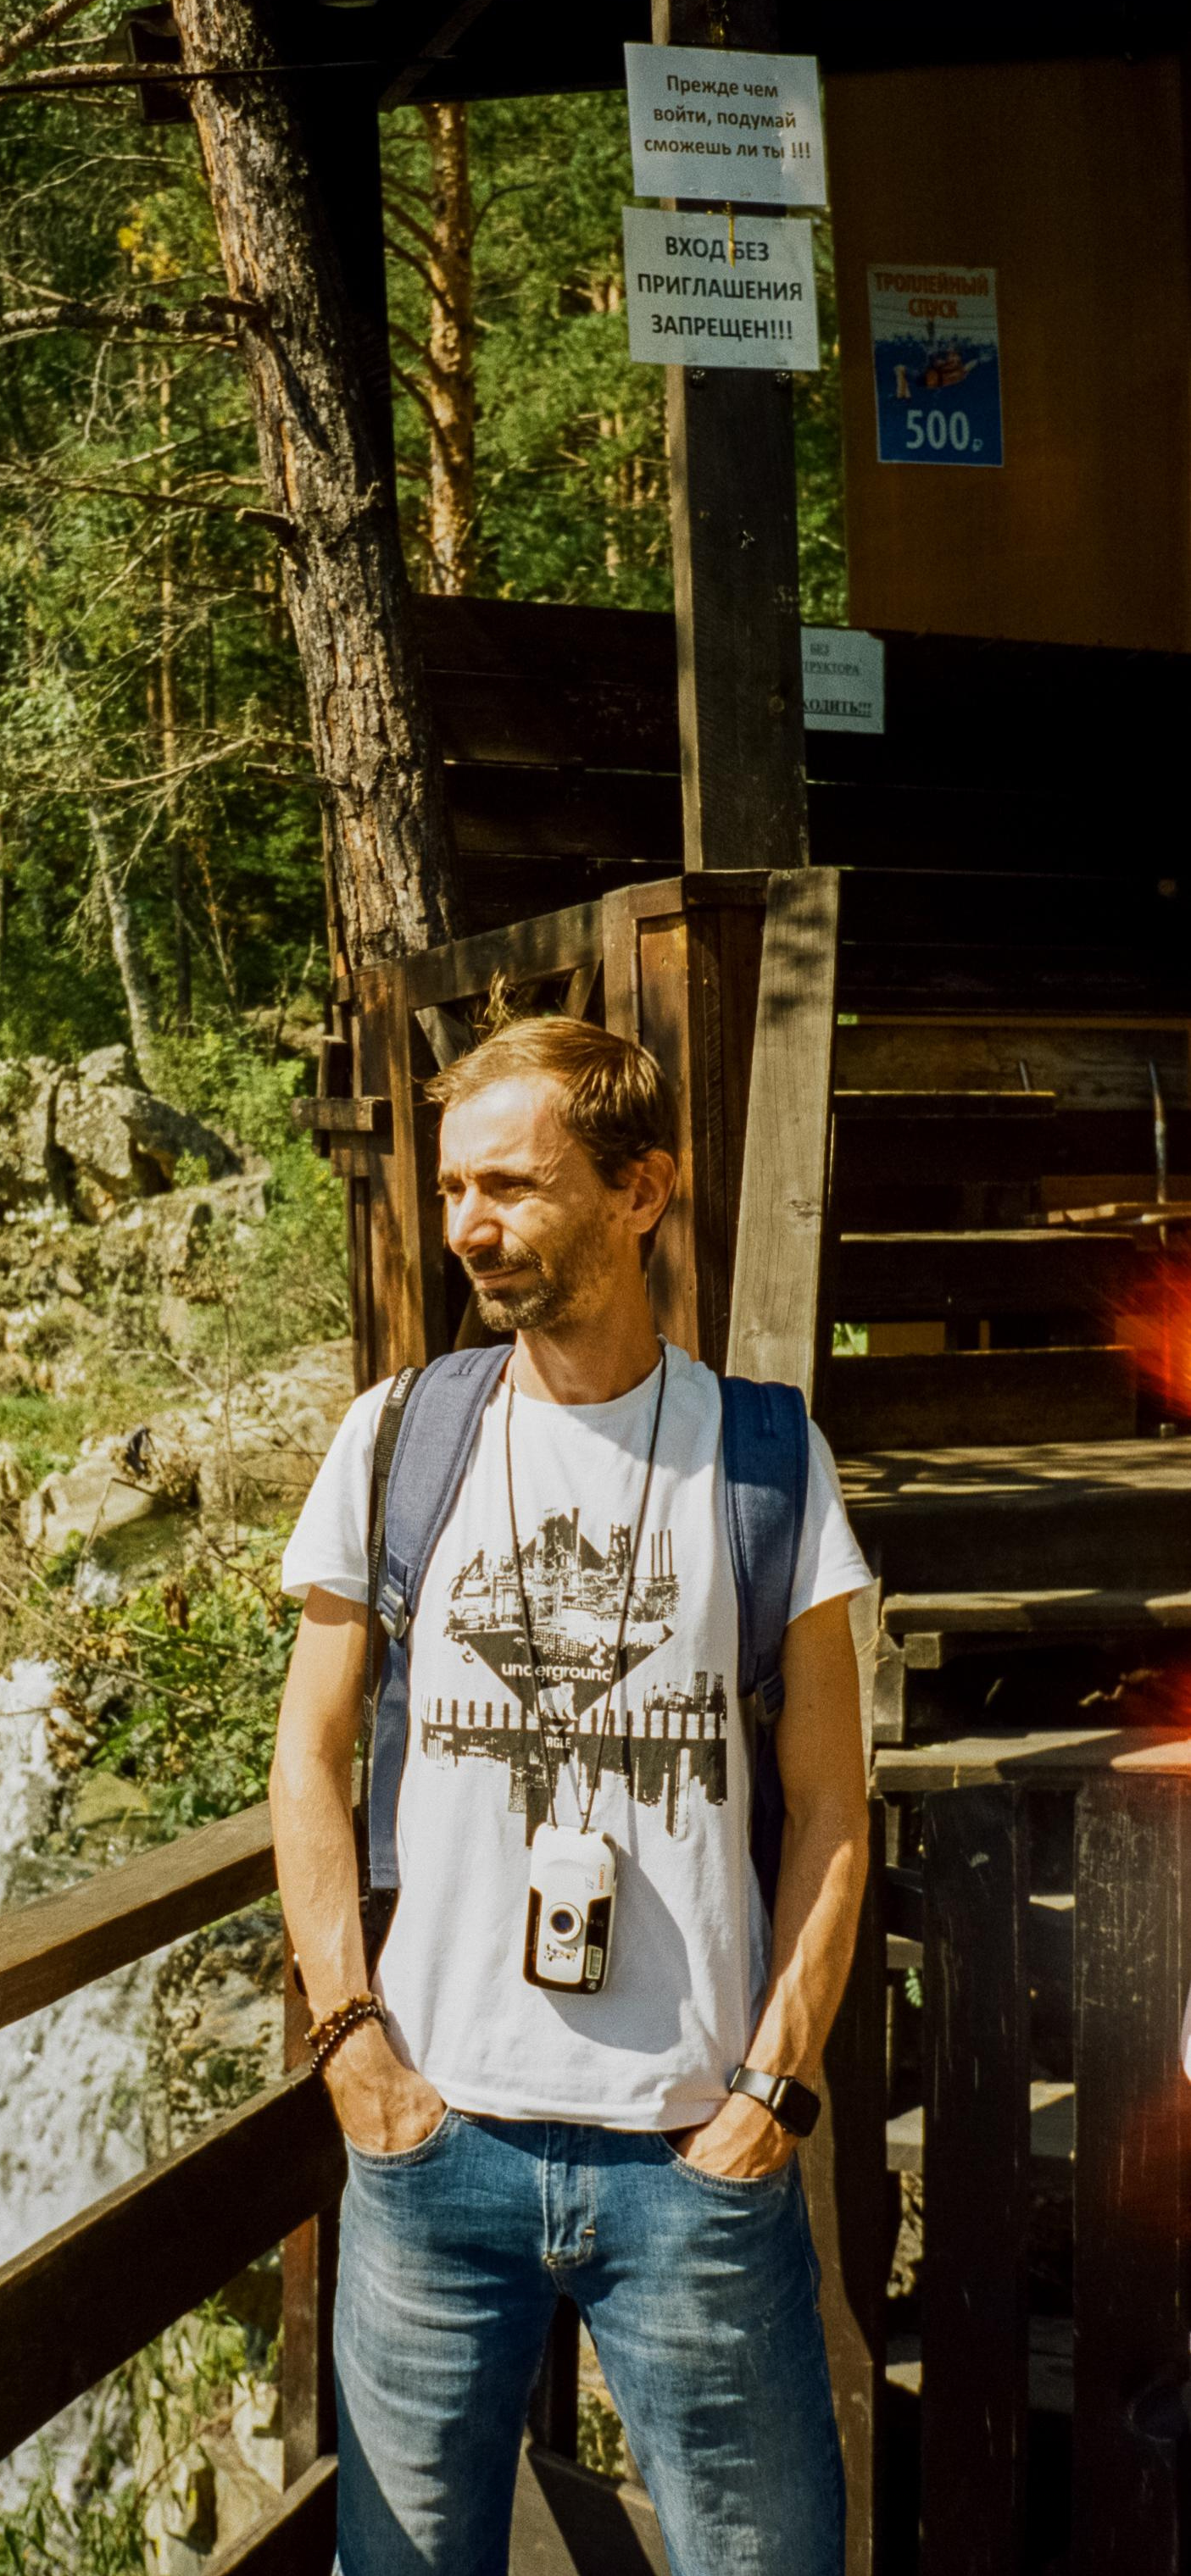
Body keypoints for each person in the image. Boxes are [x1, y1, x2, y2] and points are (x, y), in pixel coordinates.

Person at [271, 1014, 872, 2576]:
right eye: (459, 1188)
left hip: (692, 2155)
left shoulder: (764, 1460)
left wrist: (770, 2096)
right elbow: (309, 1760)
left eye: (517, 1187)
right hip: (431, 2148)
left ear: (643, 1191)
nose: (470, 1224)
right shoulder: (397, 1437)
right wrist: (353, 2051)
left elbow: (830, 1808)